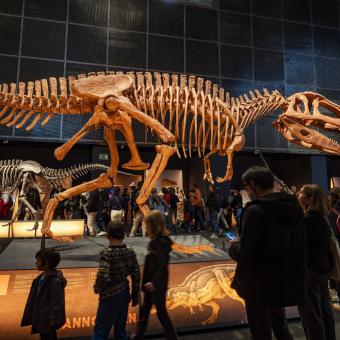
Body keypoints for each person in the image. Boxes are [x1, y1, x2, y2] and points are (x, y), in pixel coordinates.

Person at [229, 166, 306, 340]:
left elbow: (246, 254)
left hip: (258, 283)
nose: (247, 192)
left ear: (254, 184)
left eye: (247, 188)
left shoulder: (255, 211)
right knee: (280, 325)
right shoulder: (293, 208)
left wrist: (233, 246)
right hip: (280, 280)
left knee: (260, 329)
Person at [297, 184, 336, 340]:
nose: (298, 195)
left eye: (300, 192)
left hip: (309, 272)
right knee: (325, 310)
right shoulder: (323, 219)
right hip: (323, 270)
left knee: (311, 315)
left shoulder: (306, 220)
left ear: (309, 198)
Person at [133, 211, 178, 340]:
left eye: (148, 225)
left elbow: (162, 265)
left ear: (153, 225)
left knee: (160, 314)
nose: (146, 228)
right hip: (152, 284)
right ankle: (138, 336)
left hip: (155, 285)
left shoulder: (160, 243)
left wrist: (153, 282)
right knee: (146, 313)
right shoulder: (158, 241)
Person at [93, 221, 140, 340]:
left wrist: (97, 288)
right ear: (123, 235)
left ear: (108, 235)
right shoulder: (130, 251)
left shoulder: (107, 253)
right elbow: (136, 274)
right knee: (120, 330)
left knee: (100, 331)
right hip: (124, 293)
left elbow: (103, 276)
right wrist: (135, 295)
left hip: (109, 296)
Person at [21, 248, 67, 340]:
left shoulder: (54, 281)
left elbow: (56, 301)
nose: (36, 263)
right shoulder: (42, 277)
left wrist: (53, 319)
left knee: (49, 336)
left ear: (46, 264)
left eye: (38, 261)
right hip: (42, 317)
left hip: (48, 320)